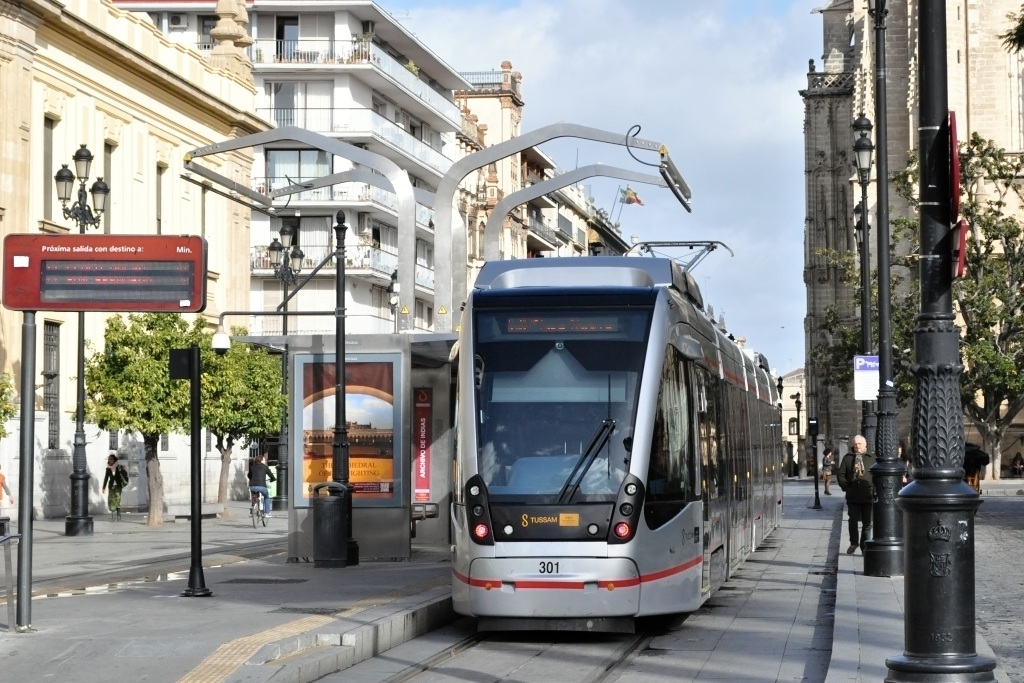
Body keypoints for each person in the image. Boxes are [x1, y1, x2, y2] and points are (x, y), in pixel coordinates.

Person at [836, 435, 875, 555]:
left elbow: (877, 475)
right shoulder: (848, 458)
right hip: (853, 495)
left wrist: (874, 489)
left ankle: (865, 546)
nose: (857, 446)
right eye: (855, 444)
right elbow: (841, 475)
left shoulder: (872, 458)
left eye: (859, 444)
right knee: (852, 520)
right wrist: (846, 487)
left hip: (868, 496)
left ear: (865, 445)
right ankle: (854, 542)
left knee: (867, 523)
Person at [101, 453, 129, 521]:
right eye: (109, 459)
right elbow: (106, 478)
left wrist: (121, 470)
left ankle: (118, 516)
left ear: (114, 460)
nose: (110, 460)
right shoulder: (108, 468)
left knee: (117, 500)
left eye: (111, 459)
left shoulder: (119, 467)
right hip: (111, 487)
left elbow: (125, 474)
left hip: (118, 486)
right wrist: (103, 487)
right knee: (111, 500)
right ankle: (113, 517)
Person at [247, 453, 276, 517]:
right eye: (264, 460)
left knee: (254, 496)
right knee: (266, 497)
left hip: (253, 486)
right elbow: (271, 476)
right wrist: (272, 479)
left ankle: (253, 507)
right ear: (261, 460)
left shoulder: (252, 467)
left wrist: (252, 479)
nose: (265, 461)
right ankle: (267, 513)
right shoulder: (265, 467)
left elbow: (249, 475)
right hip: (262, 486)